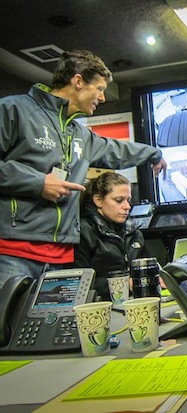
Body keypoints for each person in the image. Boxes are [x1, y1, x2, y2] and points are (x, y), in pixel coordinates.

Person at [0, 50, 167, 289]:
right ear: (78, 81)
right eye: (99, 89)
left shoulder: (79, 135)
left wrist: (154, 153)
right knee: (8, 326)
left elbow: (117, 150)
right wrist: (38, 183)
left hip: (60, 258)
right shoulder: (13, 110)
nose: (102, 97)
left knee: (54, 328)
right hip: (15, 252)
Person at [72, 172, 147, 300]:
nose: (127, 206)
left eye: (128, 200)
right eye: (119, 200)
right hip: (100, 306)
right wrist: (124, 284)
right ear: (98, 200)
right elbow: (77, 285)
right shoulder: (82, 232)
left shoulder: (133, 232)